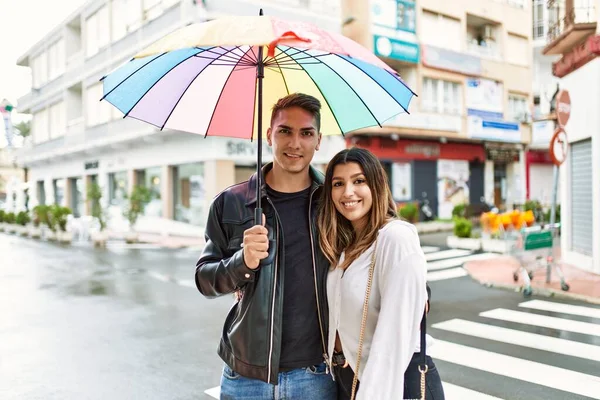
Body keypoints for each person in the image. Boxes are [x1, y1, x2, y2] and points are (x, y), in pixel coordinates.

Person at [195, 93, 337, 399]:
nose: (295, 143)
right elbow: (204, 280)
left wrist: (416, 288)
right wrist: (242, 262)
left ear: (318, 140)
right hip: (246, 375)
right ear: (268, 134)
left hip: (316, 373)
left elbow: (378, 246)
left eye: (306, 133)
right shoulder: (231, 203)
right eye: (285, 130)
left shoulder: (334, 201)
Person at [318, 148, 445, 400]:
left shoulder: (395, 237)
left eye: (359, 181)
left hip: (397, 383)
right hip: (354, 378)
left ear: (376, 185)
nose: (347, 192)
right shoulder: (344, 245)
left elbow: (394, 335)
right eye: (338, 183)